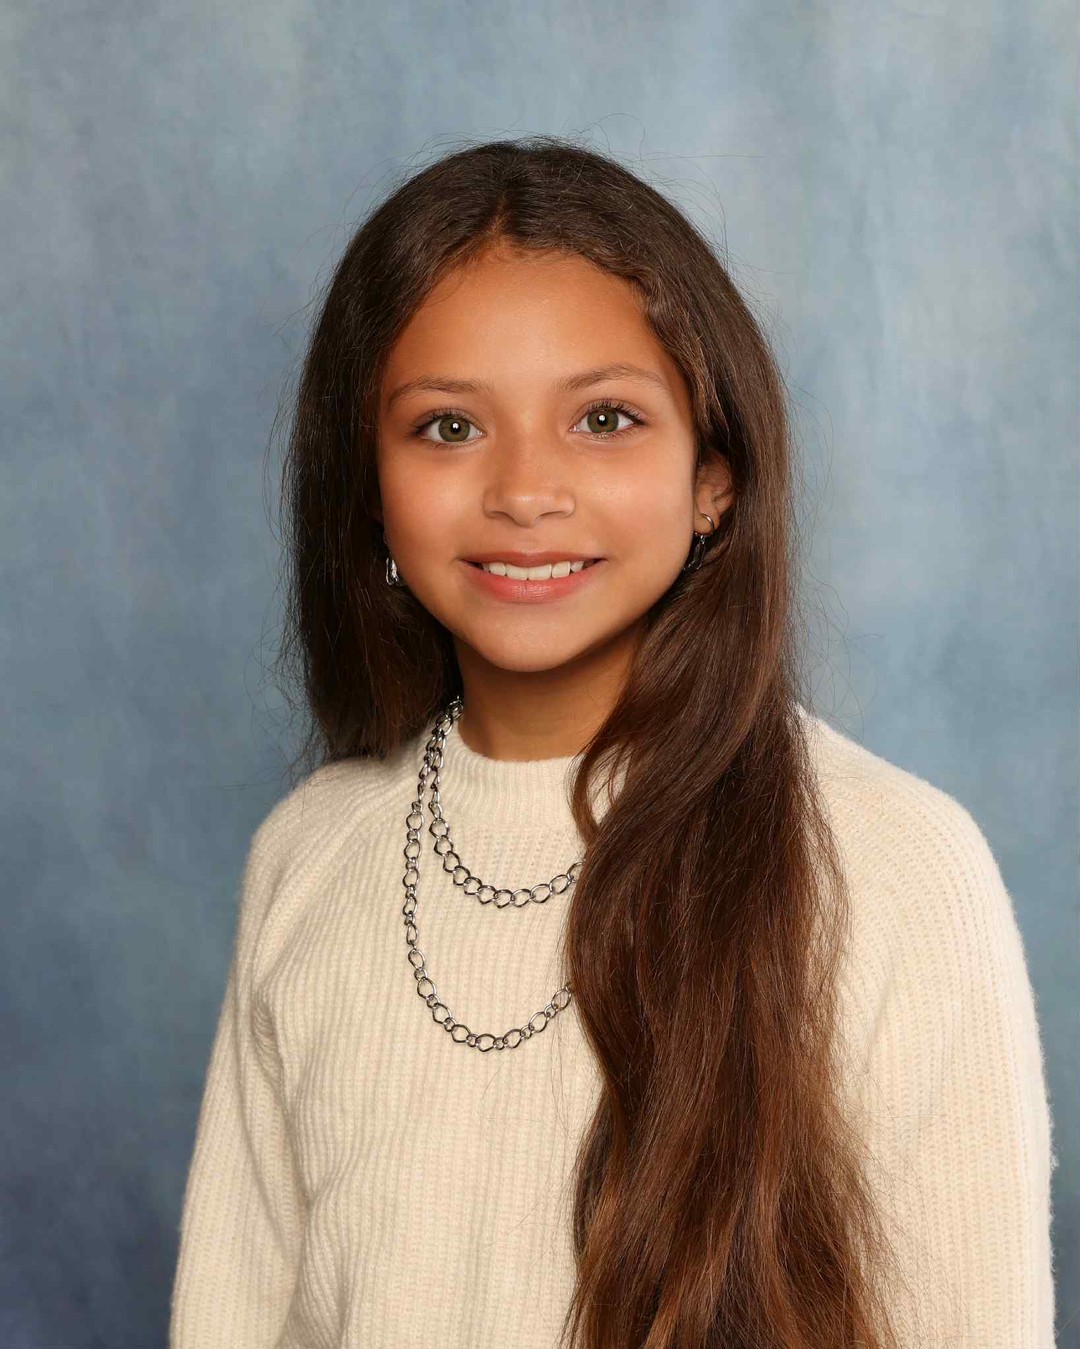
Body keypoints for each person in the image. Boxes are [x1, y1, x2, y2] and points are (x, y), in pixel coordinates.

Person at [168, 136, 1055, 1349]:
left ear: (714, 480)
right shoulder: (309, 855)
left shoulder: (895, 862)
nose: (527, 490)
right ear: (366, 488)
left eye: (604, 417)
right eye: (447, 427)